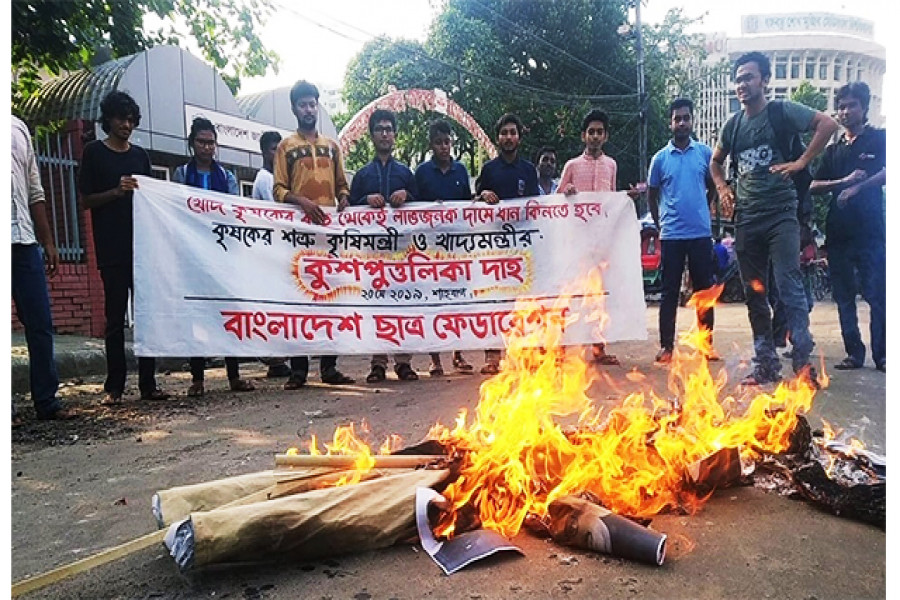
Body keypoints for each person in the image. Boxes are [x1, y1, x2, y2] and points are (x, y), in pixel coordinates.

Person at [710, 51, 838, 386]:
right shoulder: (733, 125)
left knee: (789, 287)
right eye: (738, 78)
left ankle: (802, 367)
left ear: (764, 80)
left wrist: (801, 162)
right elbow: (715, 161)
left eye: (749, 77)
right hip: (747, 219)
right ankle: (765, 364)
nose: (742, 84)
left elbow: (827, 124)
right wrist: (723, 188)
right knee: (755, 293)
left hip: (781, 216)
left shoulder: (781, 112)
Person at [79, 91, 170, 405]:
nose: (126, 125)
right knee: (115, 318)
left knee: (145, 316)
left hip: (142, 248)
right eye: (121, 118)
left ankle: (149, 383)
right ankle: (114, 386)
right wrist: (116, 192)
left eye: (131, 120)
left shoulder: (140, 156)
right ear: (108, 119)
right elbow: (85, 200)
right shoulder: (94, 153)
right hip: (112, 248)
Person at [273, 80, 355, 389]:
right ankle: (298, 370)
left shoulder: (332, 146)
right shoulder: (285, 147)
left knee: (330, 298)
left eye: (312, 104)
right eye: (303, 104)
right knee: (301, 299)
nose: (309, 109)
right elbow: (278, 190)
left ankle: (329, 367)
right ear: (294, 108)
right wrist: (302, 202)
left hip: (329, 235)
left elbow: (342, 185)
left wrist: (344, 198)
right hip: (299, 234)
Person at [173, 117, 255, 397]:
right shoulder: (182, 174)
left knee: (227, 312)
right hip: (193, 255)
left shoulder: (228, 177)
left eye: (211, 143)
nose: (207, 148)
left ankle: (234, 375)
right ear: (191, 143)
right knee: (197, 314)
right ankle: (197, 378)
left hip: (221, 255)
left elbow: (232, 212)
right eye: (201, 142)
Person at [810, 81, 886, 372]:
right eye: (841, 106)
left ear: (864, 107)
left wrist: (859, 187)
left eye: (852, 105)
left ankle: (882, 355)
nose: (846, 111)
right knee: (843, 297)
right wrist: (842, 183)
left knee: (877, 295)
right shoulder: (833, 152)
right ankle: (854, 352)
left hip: (870, 233)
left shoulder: (880, 140)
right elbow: (814, 185)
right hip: (839, 234)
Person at [11, 115, 77, 425]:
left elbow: (34, 190)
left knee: (40, 323)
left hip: (24, 242)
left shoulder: (17, 127)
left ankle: (46, 401)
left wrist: (47, 240)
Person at [349, 108, 420, 384]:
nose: (385, 133)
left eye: (389, 129)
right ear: (372, 135)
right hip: (372, 255)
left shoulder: (405, 172)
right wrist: (366, 199)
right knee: (376, 307)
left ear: (395, 135)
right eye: (379, 129)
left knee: (403, 307)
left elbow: (423, 208)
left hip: (402, 255)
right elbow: (350, 208)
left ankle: (404, 362)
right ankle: (377, 363)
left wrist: (408, 195)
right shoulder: (363, 175)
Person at [646, 98, 719, 365]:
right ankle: (667, 347)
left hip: (700, 234)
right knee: (669, 292)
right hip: (672, 235)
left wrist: (704, 206)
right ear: (670, 123)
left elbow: (713, 185)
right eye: (677, 118)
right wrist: (660, 223)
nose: (682, 123)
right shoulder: (659, 159)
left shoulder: (704, 154)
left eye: (686, 118)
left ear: (692, 121)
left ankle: (706, 345)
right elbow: (652, 196)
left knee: (704, 291)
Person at [559, 108, 630, 366]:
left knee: (600, 295)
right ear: (583, 136)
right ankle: (564, 347)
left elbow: (611, 199)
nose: (595, 136)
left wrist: (625, 200)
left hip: (603, 242)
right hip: (576, 242)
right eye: (591, 132)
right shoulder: (572, 166)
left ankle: (599, 347)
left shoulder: (611, 165)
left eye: (600, 132)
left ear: (606, 136)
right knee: (571, 294)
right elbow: (554, 202)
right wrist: (566, 191)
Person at [474, 113, 539, 375]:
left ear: (519, 138)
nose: (508, 137)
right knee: (496, 301)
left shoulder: (528, 171)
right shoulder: (489, 170)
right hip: (495, 248)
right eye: (504, 133)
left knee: (523, 302)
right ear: (498, 137)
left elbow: (537, 206)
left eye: (513, 132)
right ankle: (492, 356)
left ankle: (524, 353)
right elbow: (473, 202)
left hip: (523, 249)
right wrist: (482, 195)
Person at [413, 119, 475, 377]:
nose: (443, 147)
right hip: (429, 249)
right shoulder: (422, 173)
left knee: (457, 301)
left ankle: (457, 355)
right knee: (433, 302)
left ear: (452, 143)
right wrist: (431, 209)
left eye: (447, 142)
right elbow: (413, 208)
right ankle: (435, 359)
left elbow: (468, 204)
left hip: (456, 248)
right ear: (431, 144)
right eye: (438, 142)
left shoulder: (461, 171)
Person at [251, 130, 292, 379]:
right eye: (272, 150)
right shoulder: (265, 180)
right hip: (271, 253)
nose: (277, 155)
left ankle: (277, 359)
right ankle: (274, 359)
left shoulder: (279, 180)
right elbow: (281, 214)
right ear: (264, 152)